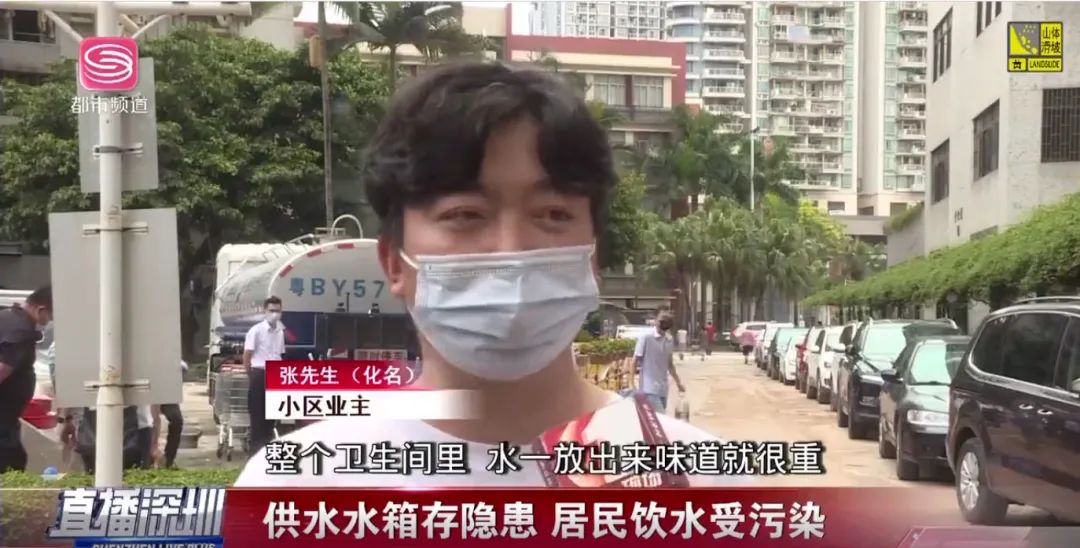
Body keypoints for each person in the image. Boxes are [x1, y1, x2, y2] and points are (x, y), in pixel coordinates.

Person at [236, 61, 744, 487]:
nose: (512, 250)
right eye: (465, 214)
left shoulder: (707, 487)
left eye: (552, 214)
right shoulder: (297, 486)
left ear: (593, 256)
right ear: (394, 263)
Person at [0, 286, 51, 472]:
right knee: (11, 462)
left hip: (7, 417)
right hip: (3, 417)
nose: (47, 323)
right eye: (49, 317)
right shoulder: (20, 331)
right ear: (41, 309)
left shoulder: (6, 317)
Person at [243, 297, 285, 454]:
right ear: (265, 311)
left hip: (274, 374)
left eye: (278, 311)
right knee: (257, 417)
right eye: (272, 310)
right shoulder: (256, 330)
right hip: (259, 373)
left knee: (271, 418)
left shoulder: (280, 331)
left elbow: (279, 354)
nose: (275, 314)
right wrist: (251, 374)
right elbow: (247, 354)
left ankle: (268, 452)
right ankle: (255, 453)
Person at [634, 314, 687, 414]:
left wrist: (678, 383)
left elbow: (669, 364)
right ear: (656, 322)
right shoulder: (646, 337)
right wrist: (631, 384)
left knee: (657, 417)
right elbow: (635, 360)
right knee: (661, 417)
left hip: (663, 389)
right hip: (648, 388)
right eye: (660, 322)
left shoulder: (669, 340)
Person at [153, 361, 186, 468]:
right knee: (148, 421)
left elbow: (182, 366)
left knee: (177, 420)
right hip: (147, 381)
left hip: (164, 386)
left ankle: (168, 460)